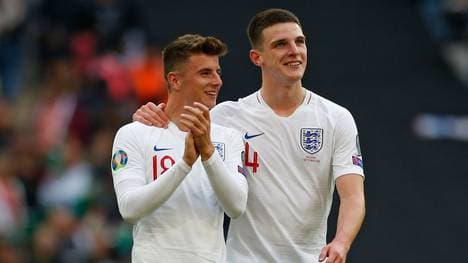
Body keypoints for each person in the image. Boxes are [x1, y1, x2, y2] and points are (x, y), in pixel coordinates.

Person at [133, 8, 365, 263]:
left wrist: (341, 242)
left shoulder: (335, 118)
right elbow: (173, 134)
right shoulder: (225, 118)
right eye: (280, 44)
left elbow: (353, 196)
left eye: (300, 42)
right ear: (257, 57)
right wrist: (148, 119)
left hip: (311, 258)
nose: (294, 51)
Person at [111, 34, 248, 262]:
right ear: (175, 80)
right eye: (205, 73)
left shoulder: (228, 138)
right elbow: (129, 209)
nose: (217, 81)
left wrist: (208, 154)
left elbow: (236, 207)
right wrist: (184, 164)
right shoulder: (134, 133)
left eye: (218, 72)